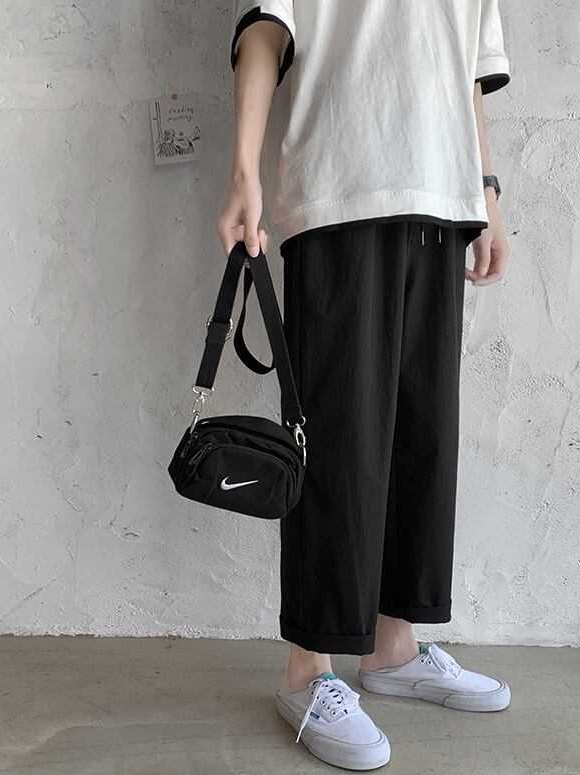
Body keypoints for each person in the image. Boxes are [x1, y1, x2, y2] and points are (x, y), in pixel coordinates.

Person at [216, 1, 512, 770]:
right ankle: (306, 669)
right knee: (341, 442)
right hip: (340, 189)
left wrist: (485, 190)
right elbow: (264, 30)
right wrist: (244, 168)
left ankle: (394, 648)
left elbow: (467, 62)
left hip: (444, 196)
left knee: (424, 436)